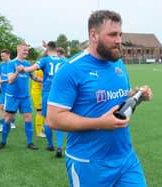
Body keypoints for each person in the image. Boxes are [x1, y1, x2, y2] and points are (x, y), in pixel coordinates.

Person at [47, 10, 153, 186]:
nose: (118, 40)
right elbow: (54, 119)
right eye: (112, 35)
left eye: (120, 34)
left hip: (125, 158)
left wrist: (136, 98)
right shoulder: (71, 69)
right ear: (93, 35)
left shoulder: (117, 63)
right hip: (88, 163)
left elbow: (119, 106)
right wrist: (99, 123)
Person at [0, 42, 41, 150]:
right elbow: (10, 80)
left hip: (25, 97)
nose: (26, 52)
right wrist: (17, 72)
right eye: (24, 50)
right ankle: (3, 142)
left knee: (28, 118)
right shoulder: (11, 63)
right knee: (8, 119)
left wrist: (42, 80)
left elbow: (33, 77)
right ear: (18, 50)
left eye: (27, 50)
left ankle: (30, 143)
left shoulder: (28, 64)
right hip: (12, 96)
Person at [24, 41, 67, 157]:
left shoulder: (44, 60)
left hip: (48, 93)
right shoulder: (64, 61)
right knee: (59, 120)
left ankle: (50, 145)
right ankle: (59, 147)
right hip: (61, 94)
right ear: (56, 49)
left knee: (47, 119)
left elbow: (31, 69)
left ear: (47, 49)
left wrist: (22, 69)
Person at [0, 49, 16, 132]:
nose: (2, 57)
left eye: (3, 56)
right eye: (1, 56)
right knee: (1, 107)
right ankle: (2, 124)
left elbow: (14, 77)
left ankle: (12, 122)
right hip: (3, 89)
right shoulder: (1, 65)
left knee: (11, 108)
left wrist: (3, 81)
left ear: (8, 55)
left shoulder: (14, 64)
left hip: (12, 89)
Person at [30, 69, 45, 137]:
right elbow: (40, 83)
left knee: (44, 111)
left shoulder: (42, 70)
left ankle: (42, 127)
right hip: (37, 93)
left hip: (41, 93)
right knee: (40, 111)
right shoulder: (39, 71)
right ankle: (39, 132)